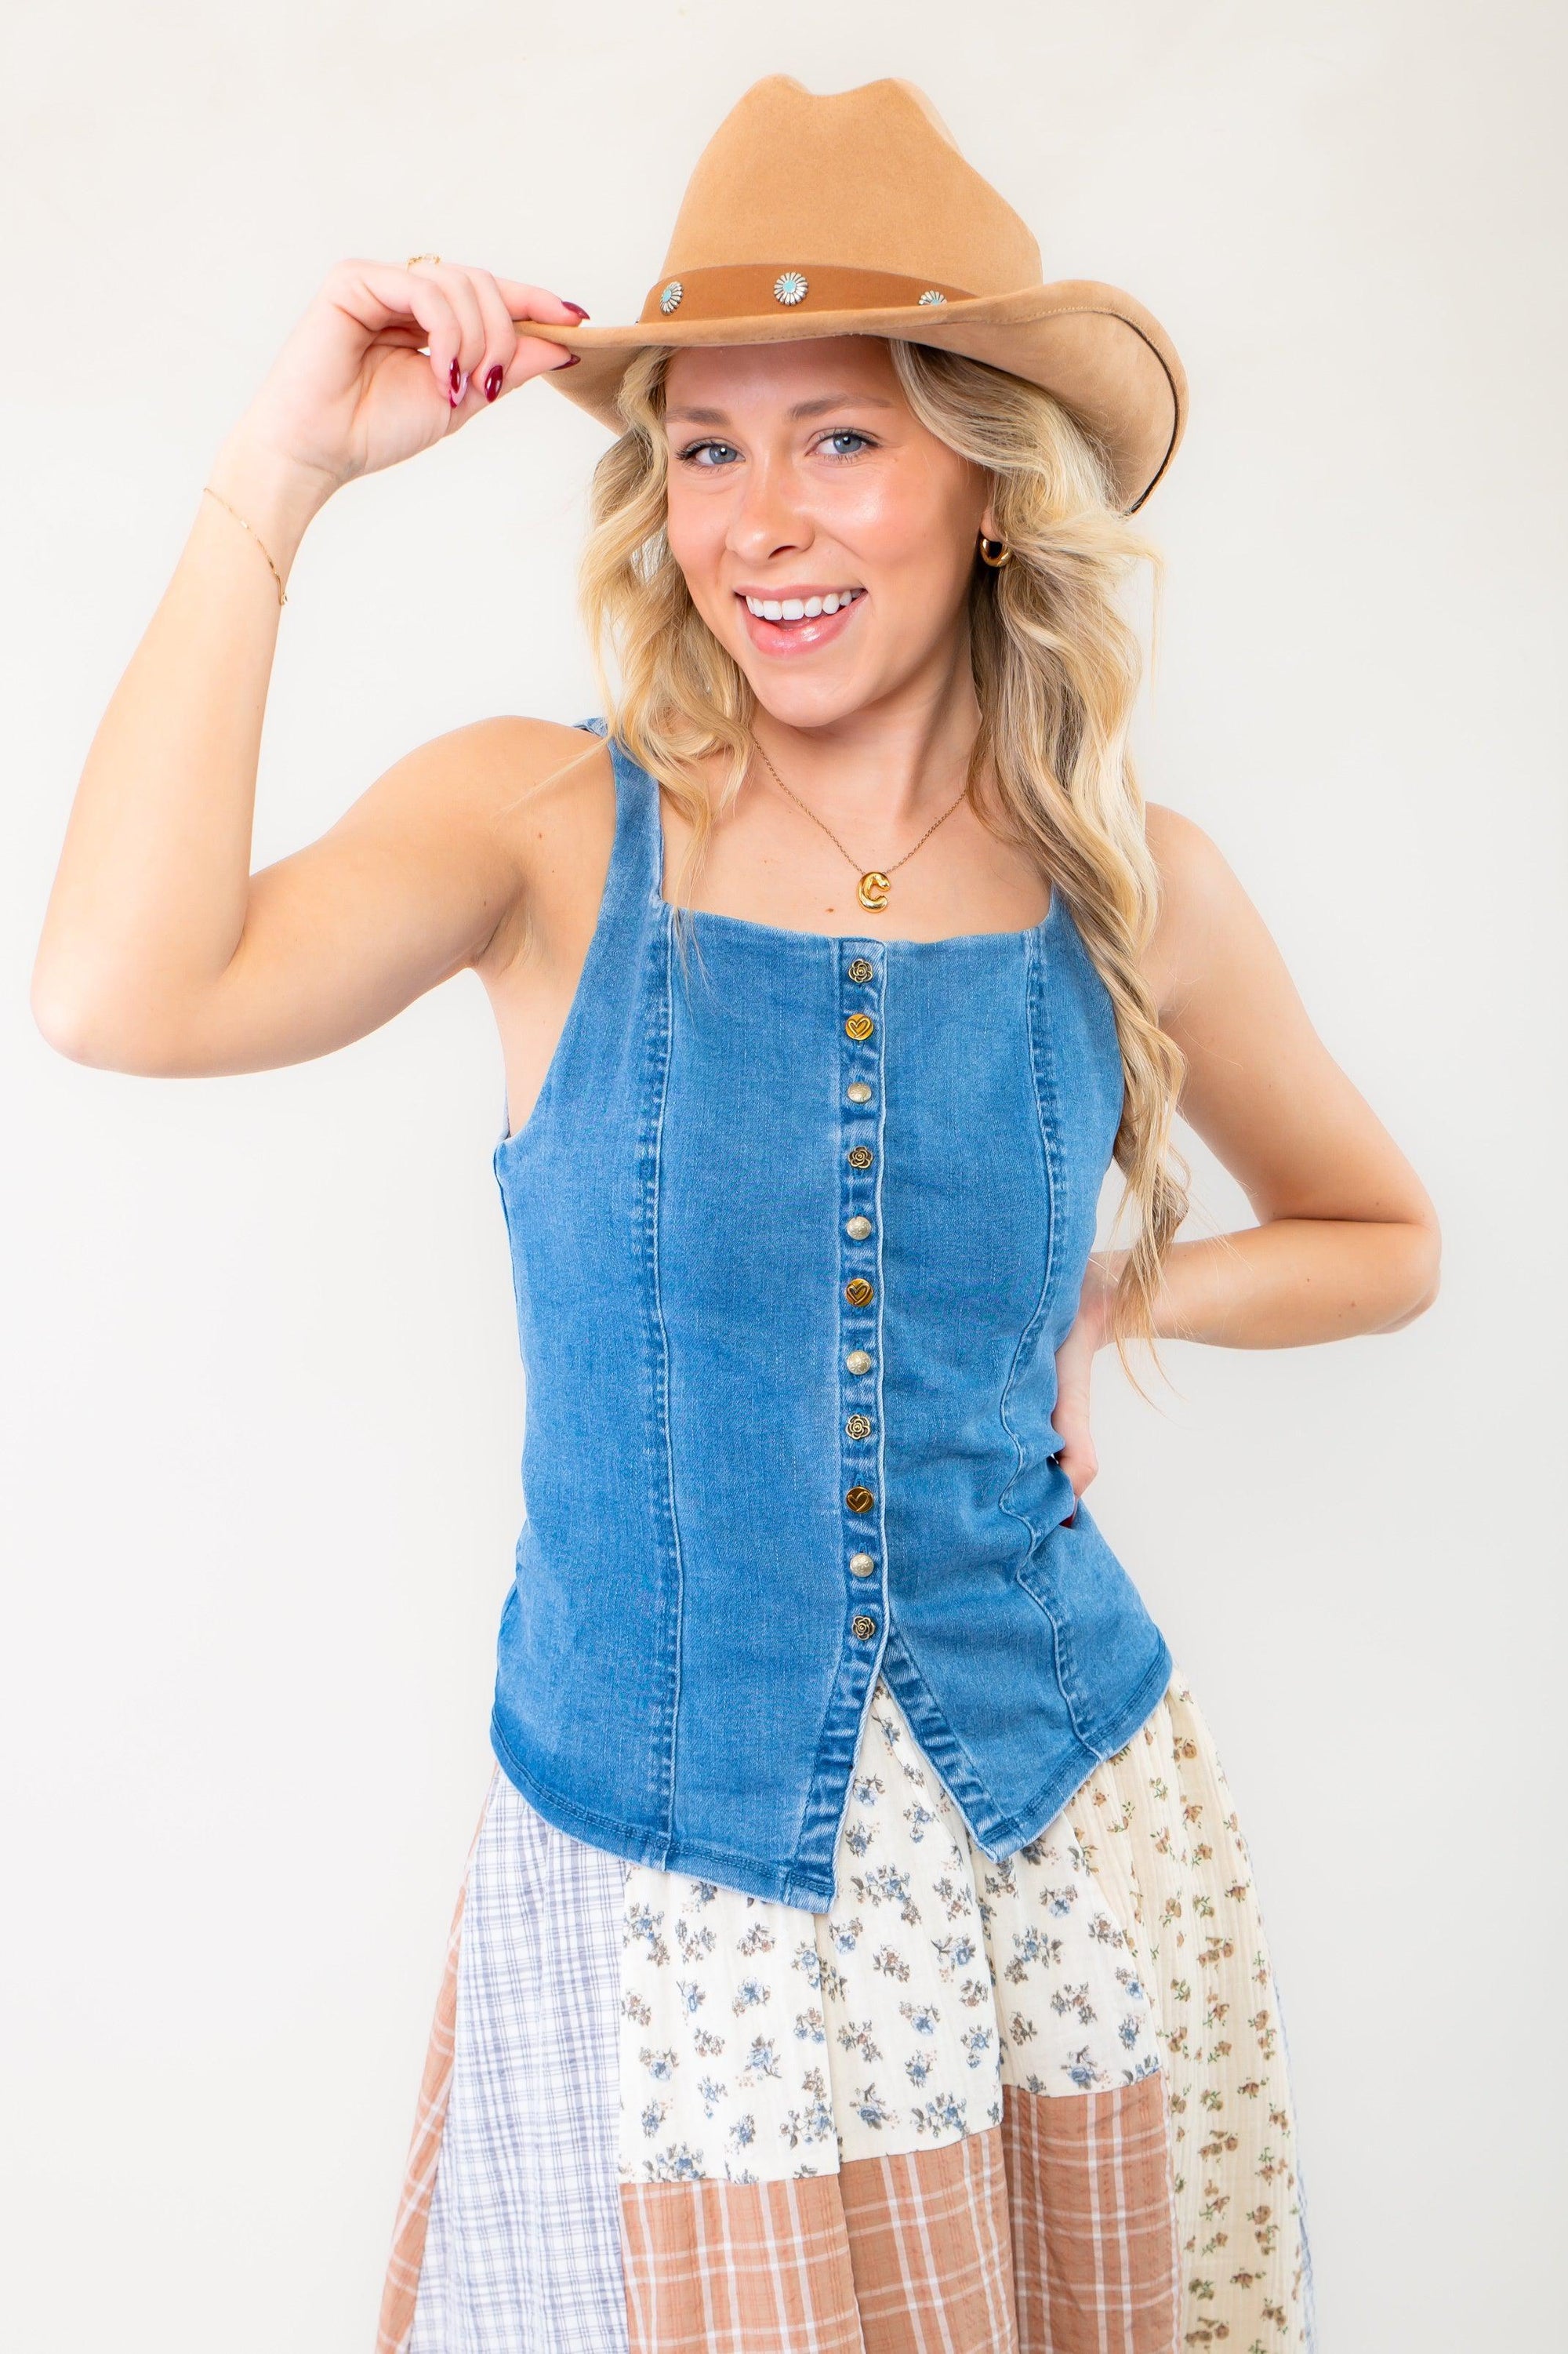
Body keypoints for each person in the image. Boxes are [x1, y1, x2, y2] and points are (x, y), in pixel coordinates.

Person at [32, 71, 1437, 2354]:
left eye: (842, 438)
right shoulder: (540, 831)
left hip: (1057, 1880)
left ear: (990, 481)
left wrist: (1107, 1294)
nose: (757, 521)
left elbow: (1384, 1232)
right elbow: (114, 990)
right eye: (704, 445)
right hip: (668, 1912)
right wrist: (277, 479)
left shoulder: (1137, 891)